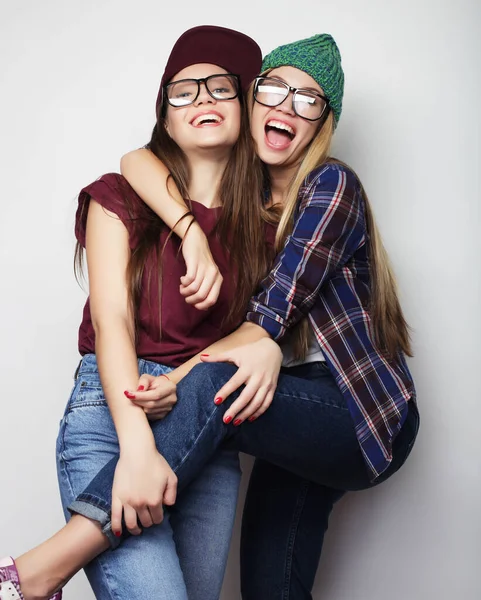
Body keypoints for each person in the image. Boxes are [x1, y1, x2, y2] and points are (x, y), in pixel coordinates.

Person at [1, 32, 420, 600]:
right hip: (208, 405)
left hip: (330, 407)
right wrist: (189, 229)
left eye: (309, 100)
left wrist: (206, 368)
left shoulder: (307, 196)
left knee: (215, 379)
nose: (286, 107)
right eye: (274, 89)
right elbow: (135, 166)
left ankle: (40, 569)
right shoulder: (183, 204)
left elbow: (269, 319)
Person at [0, 25, 274, 600]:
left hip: (207, 431)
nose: (201, 99)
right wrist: (137, 447)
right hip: (112, 412)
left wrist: (243, 354)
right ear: (165, 114)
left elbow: (260, 330)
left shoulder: (266, 227)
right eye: (183, 90)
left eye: (220, 86)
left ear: (250, 104)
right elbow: (112, 322)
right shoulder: (116, 198)